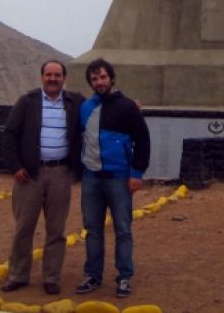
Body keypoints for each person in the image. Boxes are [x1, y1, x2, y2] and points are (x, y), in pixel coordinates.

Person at [1, 60, 83, 296]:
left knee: (56, 230)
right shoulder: (27, 102)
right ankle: (18, 275)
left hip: (60, 173)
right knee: (24, 227)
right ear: (41, 77)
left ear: (64, 78)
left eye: (57, 75)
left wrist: (131, 106)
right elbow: (9, 135)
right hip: (29, 175)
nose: (53, 78)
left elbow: (101, 109)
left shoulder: (74, 102)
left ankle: (51, 277)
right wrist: (15, 166)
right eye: (49, 74)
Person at [75, 58, 150, 300]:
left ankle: (124, 277)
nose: (99, 82)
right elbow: (79, 137)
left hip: (119, 178)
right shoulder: (85, 107)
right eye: (94, 79)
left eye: (103, 77)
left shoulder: (128, 107)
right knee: (92, 229)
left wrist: (137, 173)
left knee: (123, 229)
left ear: (112, 78)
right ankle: (92, 276)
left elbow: (143, 140)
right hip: (91, 178)